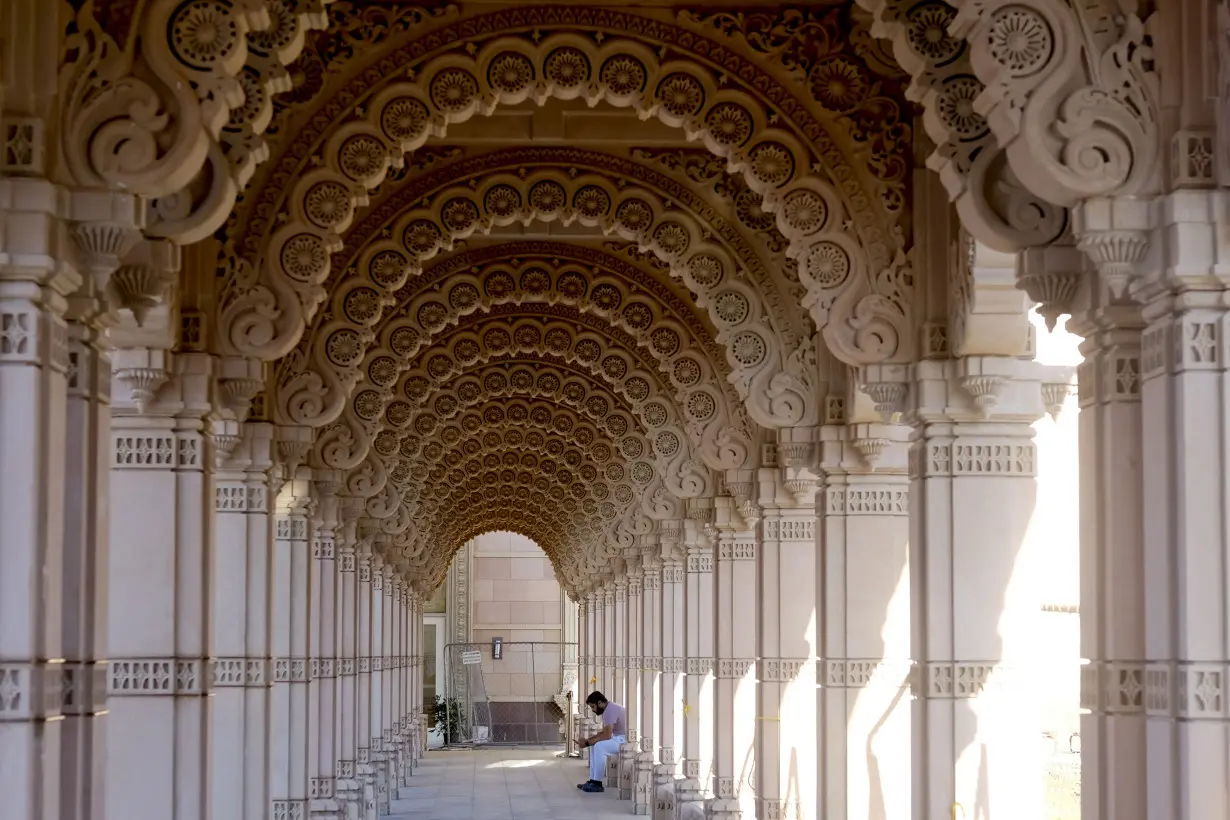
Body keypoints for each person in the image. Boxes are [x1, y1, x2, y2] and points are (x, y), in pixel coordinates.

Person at [575, 690, 626, 793]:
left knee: (599, 747)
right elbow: (604, 732)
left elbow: (607, 735)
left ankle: (597, 783)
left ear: (599, 703)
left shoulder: (609, 711)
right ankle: (592, 781)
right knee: (595, 745)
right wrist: (589, 741)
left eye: (593, 707)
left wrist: (587, 742)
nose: (593, 710)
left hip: (625, 740)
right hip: (618, 738)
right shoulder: (609, 708)